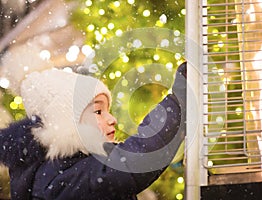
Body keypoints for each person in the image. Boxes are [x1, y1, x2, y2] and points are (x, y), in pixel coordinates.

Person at [0, 62, 187, 200]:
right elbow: (133, 162)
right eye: (98, 111)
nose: (112, 119)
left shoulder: (72, 166)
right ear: (68, 124)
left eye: (108, 110)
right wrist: (178, 102)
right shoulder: (55, 177)